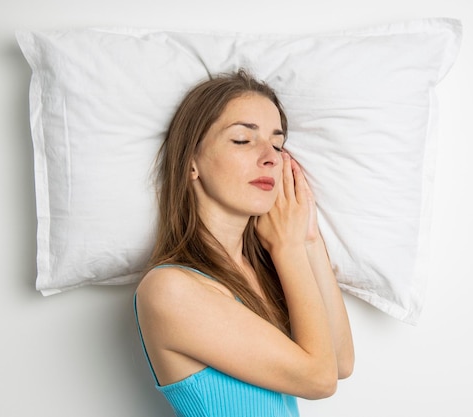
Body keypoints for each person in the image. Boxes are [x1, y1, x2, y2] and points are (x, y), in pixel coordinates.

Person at [134, 69, 354, 417]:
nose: (271, 156)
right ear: (191, 162)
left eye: (278, 144)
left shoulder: (264, 270)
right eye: (242, 140)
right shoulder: (170, 288)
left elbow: (340, 361)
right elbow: (320, 380)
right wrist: (290, 249)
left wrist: (306, 236)